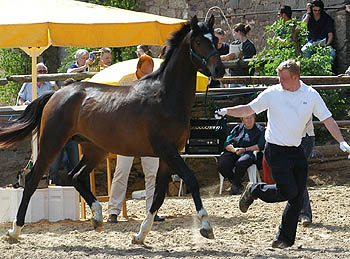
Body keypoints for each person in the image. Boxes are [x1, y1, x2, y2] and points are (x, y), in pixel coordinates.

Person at [215, 59, 350, 249]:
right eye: (278, 78)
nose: (280, 82)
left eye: (284, 78)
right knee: (287, 191)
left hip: (296, 149)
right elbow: (248, 109)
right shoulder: (273, 93)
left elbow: (327, 119)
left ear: (296, 77)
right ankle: (254, 189)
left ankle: (284, 239)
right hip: (275, 149)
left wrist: (341, 141)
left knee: (296, 197)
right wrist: (226, 111)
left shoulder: (311, 95)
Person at [107, 55, 164, 223]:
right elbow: (117, 107)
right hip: (127, 135)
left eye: (150, 72)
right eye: (145, 71)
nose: (147, 74)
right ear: (138, 69)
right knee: (122, 171)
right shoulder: (125, 81)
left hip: (149, 135)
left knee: (152, 173)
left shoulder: (157, 83)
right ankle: (113, 211)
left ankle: (152, 210)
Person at [218, 114, 265, 195]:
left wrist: (245, 149)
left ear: (254, 118)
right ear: (242, 120)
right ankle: (237, 183)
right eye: (247, 118)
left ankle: (235, 186)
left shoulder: (260, 130)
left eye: (251, 117)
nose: (249, 120)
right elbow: (226, 143)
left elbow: (260, 146)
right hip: (234, 151)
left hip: (250, 153)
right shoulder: (238, 128)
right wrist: (234, 150)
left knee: (241, 162)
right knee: (223, 164)